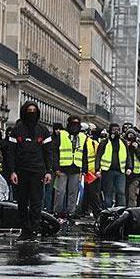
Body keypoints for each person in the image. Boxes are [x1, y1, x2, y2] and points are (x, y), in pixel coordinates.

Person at [9, 101, 53, 241]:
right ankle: (24, 229)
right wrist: (12, 171)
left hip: (37, 171)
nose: (32, 113)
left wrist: (48, 171)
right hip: (21, 171)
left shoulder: (43, 130)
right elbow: (11, 152)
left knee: (36, 201)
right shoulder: (17, 130)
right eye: (29, 110)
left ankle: (34, 229)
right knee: (22, 202)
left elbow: (48, 152)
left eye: (34, 110)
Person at [53, 116, 84, 218]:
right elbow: (55, 152)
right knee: (60, 191)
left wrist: (83, 170)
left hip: (75, 168)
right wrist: (56, 168)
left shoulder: (82, 137)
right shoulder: (61, 135)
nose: (75, 126)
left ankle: (71, 211)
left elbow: (84, 154)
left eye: (77, 124)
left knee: (73, 192)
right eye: (73, 124)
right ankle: (57, 211)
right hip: (62, 168)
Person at [97, 123, 129, 208]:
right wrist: (97, 169)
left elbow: (127, 155)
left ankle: (121, 211)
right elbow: (99, 156)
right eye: (114, 129)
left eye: (118, 130)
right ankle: (108, 211)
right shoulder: (105, 142)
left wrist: (129, 167)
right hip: (108, 171)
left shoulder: (123, 142)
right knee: (108, 193)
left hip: (120, 171)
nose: (116, 132)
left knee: (121, 192)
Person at [80, 126, 102, 218]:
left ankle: (96, 213)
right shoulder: (84, 142)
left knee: (92, 194)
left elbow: (99, 157)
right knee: (83, 194)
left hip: (91, 173)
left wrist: (98, 171)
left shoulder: (94, 143)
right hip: (82, 171)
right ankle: (82, 211)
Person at [125, 128, 140, 207]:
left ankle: (131, 212)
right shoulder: (124, 143)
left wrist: (136, 148)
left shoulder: (139, 144)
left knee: (132, 194)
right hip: (125, 172)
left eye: (132, 135)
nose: (130, 137)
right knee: (123, 193)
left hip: (135, 174)